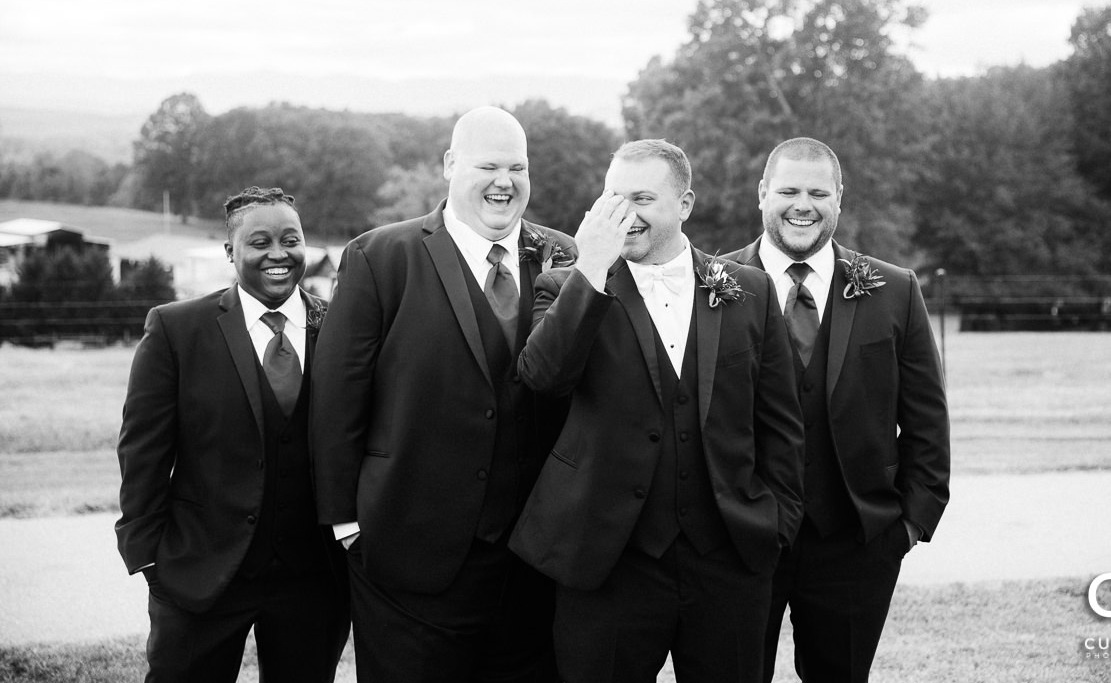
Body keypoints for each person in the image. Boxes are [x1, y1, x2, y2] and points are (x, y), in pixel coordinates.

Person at [509, 139, 805, 683]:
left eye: (642, 198)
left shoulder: (751, 292)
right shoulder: (563, 287)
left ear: (685, 204)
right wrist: (591, 267)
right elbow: (543, 378)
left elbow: (781, 423)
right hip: (606, 564)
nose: (625, 214)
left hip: (727, 563)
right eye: (613, 198)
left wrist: (775, 523)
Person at [310, 105, 573, 682]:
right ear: (450, 165)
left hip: (533, 561)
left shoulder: (568, 257)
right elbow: (336, 398)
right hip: (408, 554)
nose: (505, 183)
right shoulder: (379, 258)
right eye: (488, 166)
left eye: (518, 168)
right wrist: (346, 525)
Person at [723, 137, 951, 683]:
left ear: (839, 199)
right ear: (762, 194)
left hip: (856, 546)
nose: (803, 204)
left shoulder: (895, 290)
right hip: (738, 541)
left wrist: (909, 525)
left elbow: (927, 419)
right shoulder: (715, 282)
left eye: (818, 192)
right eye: (789, 190)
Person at [115, 186, 350, 683]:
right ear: (230, 252)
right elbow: (143, 451)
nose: (278, 253)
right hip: (201, 572)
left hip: (313, 581)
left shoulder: (341, 327)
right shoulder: (177, 330)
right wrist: (148, 557)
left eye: (291, 239)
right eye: (259, 241)